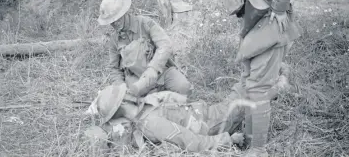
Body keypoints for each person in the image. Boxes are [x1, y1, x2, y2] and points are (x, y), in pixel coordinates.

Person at [187, 0, 302, 156]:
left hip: (269, 26)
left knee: (258, 88)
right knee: (251, 83)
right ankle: (251, 139)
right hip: (255, 28)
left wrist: (280, 8)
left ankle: (258, 149)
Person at [84, 67, 291, 153]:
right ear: (122, 105)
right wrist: (229, 139)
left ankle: (270, 73)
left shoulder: (142, 108)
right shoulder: (151, 123)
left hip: (205, 114)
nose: (128, 92)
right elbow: (191, 141)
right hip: (212, 125)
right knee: (245, 98)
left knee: (242, 87)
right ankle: (278, 87)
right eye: (123, 96)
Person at [97, 0, 193, 97]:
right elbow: (114, 68)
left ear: (124, 14)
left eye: (117, 19)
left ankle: (158, 93)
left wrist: (153, 68)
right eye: (111, 22)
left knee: (183, 88)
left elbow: (165, 44)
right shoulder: (114, 41)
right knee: (132, 101)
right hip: (137, 79)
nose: (115, 23)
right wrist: (120, 87)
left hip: (160, 71)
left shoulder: (145, 23)